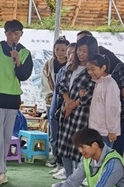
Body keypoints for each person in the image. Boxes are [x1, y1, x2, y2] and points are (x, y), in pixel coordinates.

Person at [0, 20, 34, 186]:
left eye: (16, 33)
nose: (13, 36)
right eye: (9, 33)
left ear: (21, 34)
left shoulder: (25, 53)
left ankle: (1, 169)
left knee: (5, 137)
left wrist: (17, 61)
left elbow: (24, 76)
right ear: (5, 34)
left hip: (12, 99)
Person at [56, 36, 98, 177]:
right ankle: (69, 177)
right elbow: (61, 85)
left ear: (91, 52)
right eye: (79, 50)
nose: (81, 54)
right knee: (64, 145)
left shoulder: (92, 70)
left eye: (85, 51)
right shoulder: (70, 66)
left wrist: (73, 105)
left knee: (80, 146)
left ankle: (78, 178)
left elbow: (90, 92)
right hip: (66, 110)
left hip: (81, 114)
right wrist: (68, 102)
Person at [49, 42, 78, 179]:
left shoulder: (83, 70)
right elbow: (59, 88)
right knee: (58, 138)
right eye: (68, 52)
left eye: (72, 52)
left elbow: (83, 93)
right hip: (58, 107)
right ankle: (62, 166)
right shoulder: (63, 69)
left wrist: (71, 103)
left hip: (74, 111)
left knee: (74, 143)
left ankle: (76, 173)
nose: (67, 55)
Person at [42, 37, 69, 168]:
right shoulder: (49, 64)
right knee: (54, 131)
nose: (60, 52)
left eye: (63, 50)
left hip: (67, 103)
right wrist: (51, 96)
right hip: (51, 101)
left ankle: (64, 161)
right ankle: (55, 157)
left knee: (65, 132)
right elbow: (44, 82)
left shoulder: (71, 64)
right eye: (57, 49)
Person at [86, 53, 121, 147]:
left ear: (103, 68)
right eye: (88, 69)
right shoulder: (97, 83)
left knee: (104, 155)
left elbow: (112, 109)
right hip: (95, 129)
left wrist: (112, 130)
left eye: (93, 69)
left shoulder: (110, 84)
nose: (90, 72)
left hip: (105, 132)